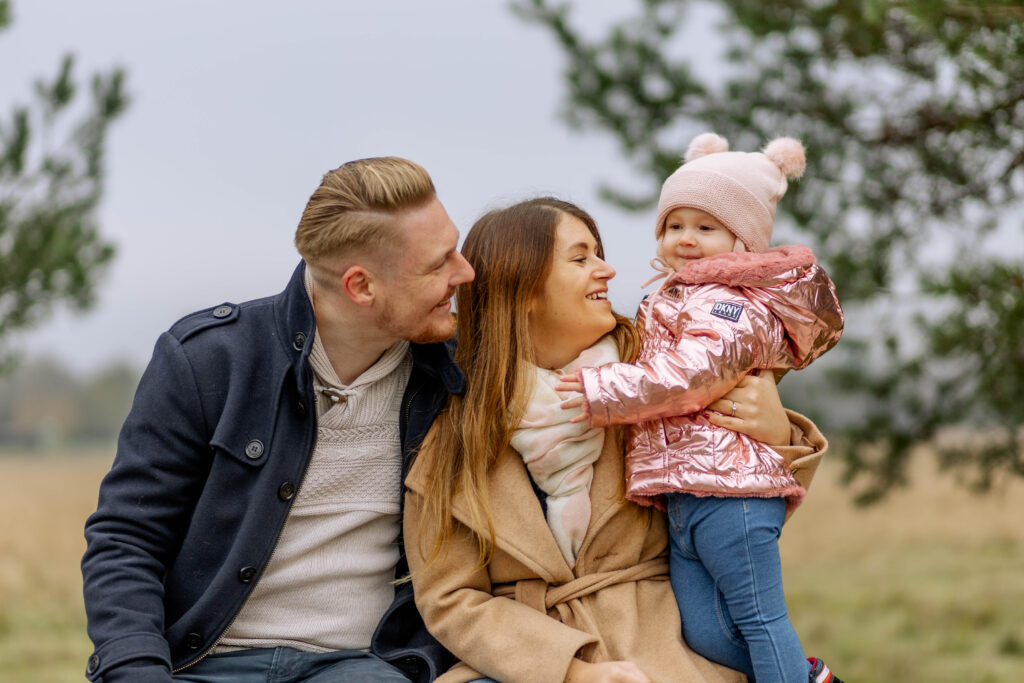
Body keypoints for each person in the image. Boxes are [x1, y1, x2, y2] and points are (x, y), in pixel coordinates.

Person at [402, 197, 831, 683]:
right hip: (527, 665)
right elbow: (451, 599)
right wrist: (570, 672)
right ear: (521, 288)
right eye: (580, 258)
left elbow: (736, 519)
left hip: (669, 648)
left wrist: (776, 435)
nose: (606, 270)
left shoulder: (657, 381)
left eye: (599, 253)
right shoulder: (457, 431)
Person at [81, 157, 475, 683]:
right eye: (438, 264)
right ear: (361, 286)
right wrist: (137, 673)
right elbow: (127, 541)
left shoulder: (460, 374)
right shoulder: (207, 361)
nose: (465, 273)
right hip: (202, 664)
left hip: (362, 667)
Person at [556, 134, 845, 683]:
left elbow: (692, 375)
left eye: (706, 227)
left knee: (761, 621)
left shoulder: (729, 304)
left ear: (743, 240)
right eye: (674, 225)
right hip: (685, 497)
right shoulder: (673, 296)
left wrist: (604, 389)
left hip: (733, 495)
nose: (685, 238)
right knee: (707, 634)